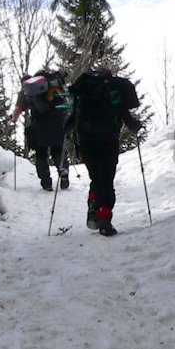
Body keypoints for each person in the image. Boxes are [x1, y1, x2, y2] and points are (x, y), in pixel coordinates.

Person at [66, 67, 142, 236]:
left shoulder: (84, 89)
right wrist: (135, 126)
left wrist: (65, 130)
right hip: (108, 139)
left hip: (85, 140)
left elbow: (74, 115)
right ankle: (105, 219)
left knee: (96, 177)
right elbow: (124, 113)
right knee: (107, 178)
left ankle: (93, 203)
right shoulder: (113, 88)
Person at [11, 68, 71, 191]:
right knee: (58, 150)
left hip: (40, 125)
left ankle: (46, 182)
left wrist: (13, 119)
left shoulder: (28, 90)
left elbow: (18, 109)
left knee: (41, 154)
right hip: (58, 123)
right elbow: (65, 101)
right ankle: (63, 169)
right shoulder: (54, 85)